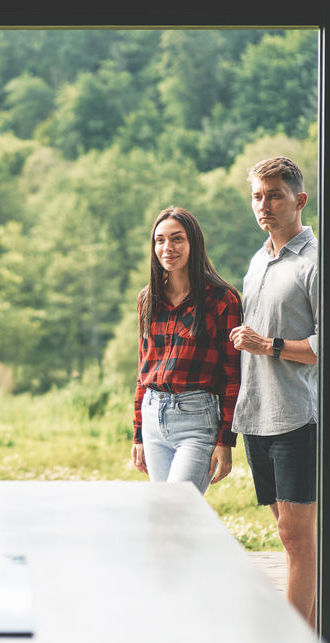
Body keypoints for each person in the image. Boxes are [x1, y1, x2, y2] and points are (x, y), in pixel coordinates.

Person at [229, 156, 319, 626]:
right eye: (257, 196)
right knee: (289, 539)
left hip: (297, 417)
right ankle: (314, 628)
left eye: (274, 195)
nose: (263, 205)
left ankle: (294, 635)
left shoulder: (317, 262)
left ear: (299, 200)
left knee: (296, 538)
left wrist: (270, 345)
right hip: (257, 415)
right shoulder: (258, 259)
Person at [130, 207, 242, 494]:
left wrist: (225, 440)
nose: (168, 248)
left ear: (194, 244)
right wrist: (139, 434)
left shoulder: (222, 300)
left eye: (177, 239)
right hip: (153, 415)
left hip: (196, 419)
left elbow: (232, 374)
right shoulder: (147, 299)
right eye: (160, 240)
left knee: (178, 513)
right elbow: (144, 369)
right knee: (165, 517)